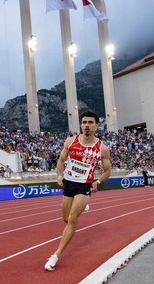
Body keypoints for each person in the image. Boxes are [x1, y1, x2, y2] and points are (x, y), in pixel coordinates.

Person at [44, 110, 111, 271]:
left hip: (84, 185)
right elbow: (61, 160)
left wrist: (98, 181)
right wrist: (59, 175)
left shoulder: (102, 148)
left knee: (73, 219)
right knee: (66, 219)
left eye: (90, 123)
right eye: (84, 122)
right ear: (81, 125)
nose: (87, 125)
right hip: (69, 182)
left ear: (96, 126)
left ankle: (56, 255)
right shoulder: (70, 141)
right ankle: (82, 207)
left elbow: (108, 171)